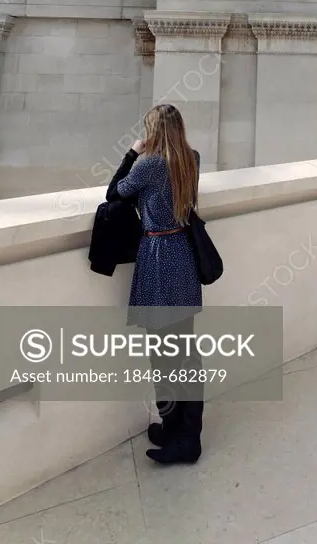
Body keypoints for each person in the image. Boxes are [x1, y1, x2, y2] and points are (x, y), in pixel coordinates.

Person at [105, 103, 203, 465]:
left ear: (154, 131)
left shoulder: (148, 164)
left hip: (159, 256)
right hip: (183, 255)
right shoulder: (192, 158)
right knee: (184, 352)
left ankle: (182, 435)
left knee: (163, 355)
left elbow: (114, 193)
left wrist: (132, 151)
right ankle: (181, 430)